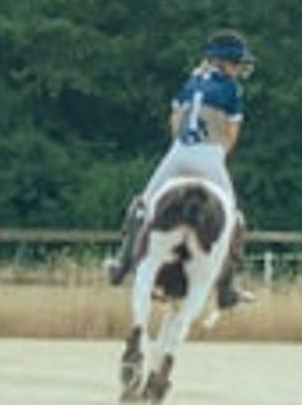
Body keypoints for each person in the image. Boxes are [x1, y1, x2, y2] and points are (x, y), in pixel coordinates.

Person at [104, 29, 254, 308]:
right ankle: (227, 288)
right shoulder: (232, 89)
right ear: (225, 62)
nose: (238, 69)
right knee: (233, 218)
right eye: (236, 63)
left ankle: (122, 265)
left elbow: (175, 120)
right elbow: (231, 134)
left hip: (178, 153)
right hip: (209, 156)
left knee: (143, 205)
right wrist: (216, 156)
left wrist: (183, 149)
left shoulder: (191, 82)